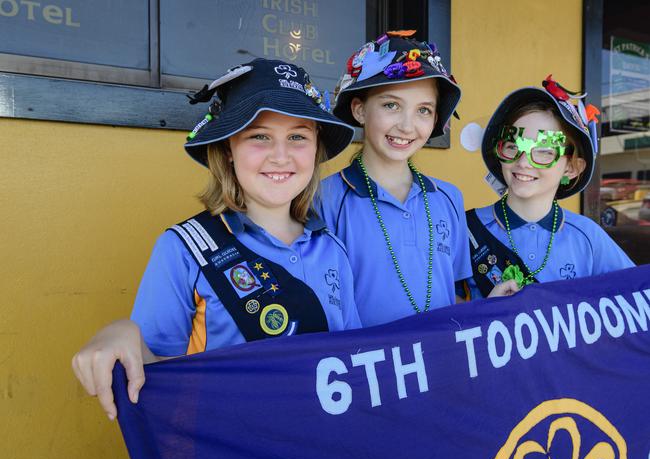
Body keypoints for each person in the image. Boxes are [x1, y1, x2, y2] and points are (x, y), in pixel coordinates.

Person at [72, 58, 361, 419]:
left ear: (316, 148)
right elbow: (155, 374)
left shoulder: (332, 249)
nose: (281, 155)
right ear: (228, 149)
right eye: (259, 136)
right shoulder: (184, 250)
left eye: (298, 136)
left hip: (321, 456)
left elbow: (352, 361)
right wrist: (120, 332)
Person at [317, 31, 517, 327]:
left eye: (423, 110)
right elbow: (324, 308)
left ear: (436, 119)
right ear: (359, 110)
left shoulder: (448, 197)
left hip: (438, 365)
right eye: (391, 105)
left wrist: (488, 308)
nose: (407, 126)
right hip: (364, 368)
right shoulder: (326, 199)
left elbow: (453, 295)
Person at [463, 75, 635, 299]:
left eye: (544, 151)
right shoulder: (466, 230)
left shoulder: (588, 237)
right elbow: (436, 319)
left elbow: (637, 302)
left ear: (571, 167)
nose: (523, 162)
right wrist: (486, 310)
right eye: (513, 146)